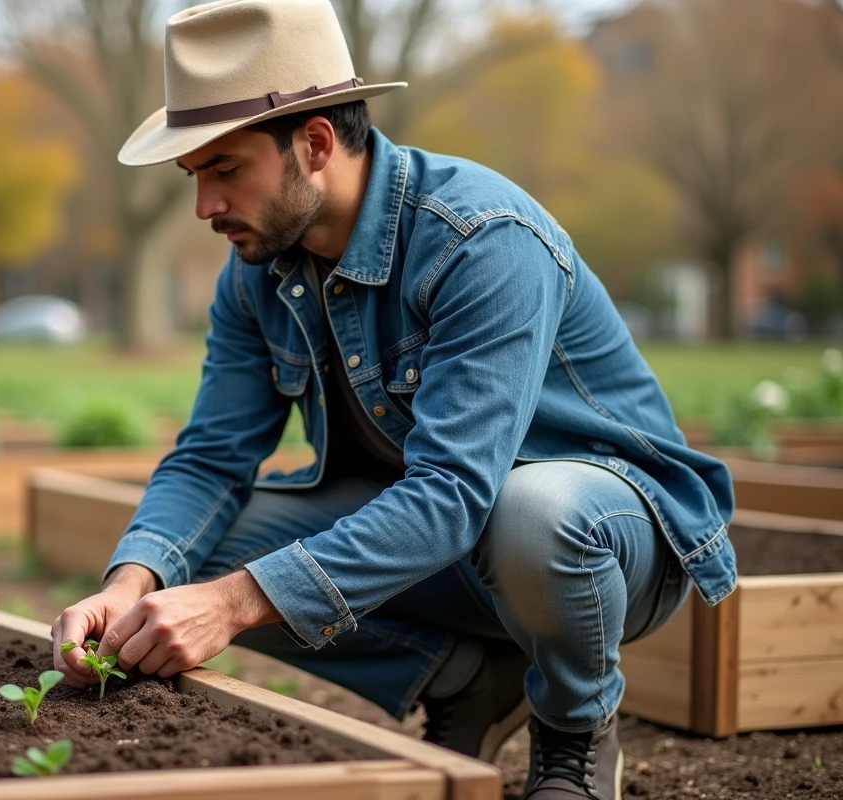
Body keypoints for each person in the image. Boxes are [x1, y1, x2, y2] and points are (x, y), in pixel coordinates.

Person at [51, 2, 736, 798]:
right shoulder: (255, 273)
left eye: (225, 168)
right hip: (449, 547)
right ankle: (466, 679)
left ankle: (575, 734)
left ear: (314, 144)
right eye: (193, 176)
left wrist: (235, 606)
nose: (204, 207)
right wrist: (130, 584)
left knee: (531, 510)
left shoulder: (482, 238)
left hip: (600, 542)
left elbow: (454, 492)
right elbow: (208, 457)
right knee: (181, 555)